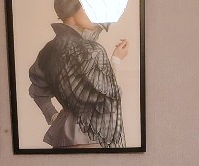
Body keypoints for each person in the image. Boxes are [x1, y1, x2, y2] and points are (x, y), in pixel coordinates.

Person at [28, 0, 130, 149]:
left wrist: (54, 116)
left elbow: (38, 91)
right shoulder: (92, 50)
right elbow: (108, 97)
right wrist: (116, 60)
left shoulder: (48, 50)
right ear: (72, 10)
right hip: (92, 138)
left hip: (63, 136)